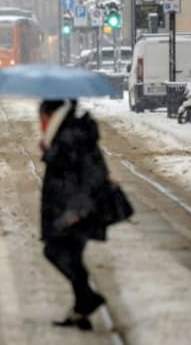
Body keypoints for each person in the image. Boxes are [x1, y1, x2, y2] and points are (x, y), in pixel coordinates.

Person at [38, 99, 132, 331]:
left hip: (78, 208)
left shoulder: (69, 134)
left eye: (42, 115)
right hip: (77, 206)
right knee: (70, 255)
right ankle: (82, 308)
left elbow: (74, 168)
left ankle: (87, 299)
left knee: (56, 251)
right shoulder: (68, 131)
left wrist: (50, 153)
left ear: (52, 114)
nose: (40, 121)